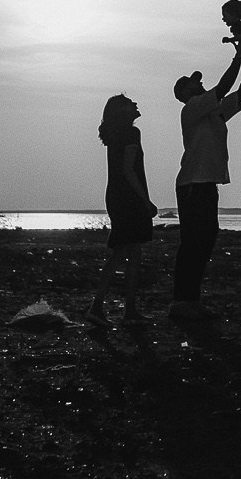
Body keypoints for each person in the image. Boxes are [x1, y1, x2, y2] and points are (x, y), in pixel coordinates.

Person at [169, 47, 241, 320]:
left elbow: (240, 94)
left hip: (206, 183)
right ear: (184, 93)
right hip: (192, 184)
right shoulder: (191, 108)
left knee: (205, 240)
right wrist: (239, 56)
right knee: (193, 243)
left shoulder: (213, 111)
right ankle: (182, 301)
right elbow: (223, 87)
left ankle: (190, 299)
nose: (198, 83)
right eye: (192, 82)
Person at [86, 94, 158, 327]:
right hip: (128, 198)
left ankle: (129, 309)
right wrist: (145, 200)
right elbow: (129, 170)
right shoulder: (131, 133)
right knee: (122, 253)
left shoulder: (116, 135)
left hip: (117, 195)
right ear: (122, 111)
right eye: (129, 103)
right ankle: (98, 307)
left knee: (132, 252)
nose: (135, 104)